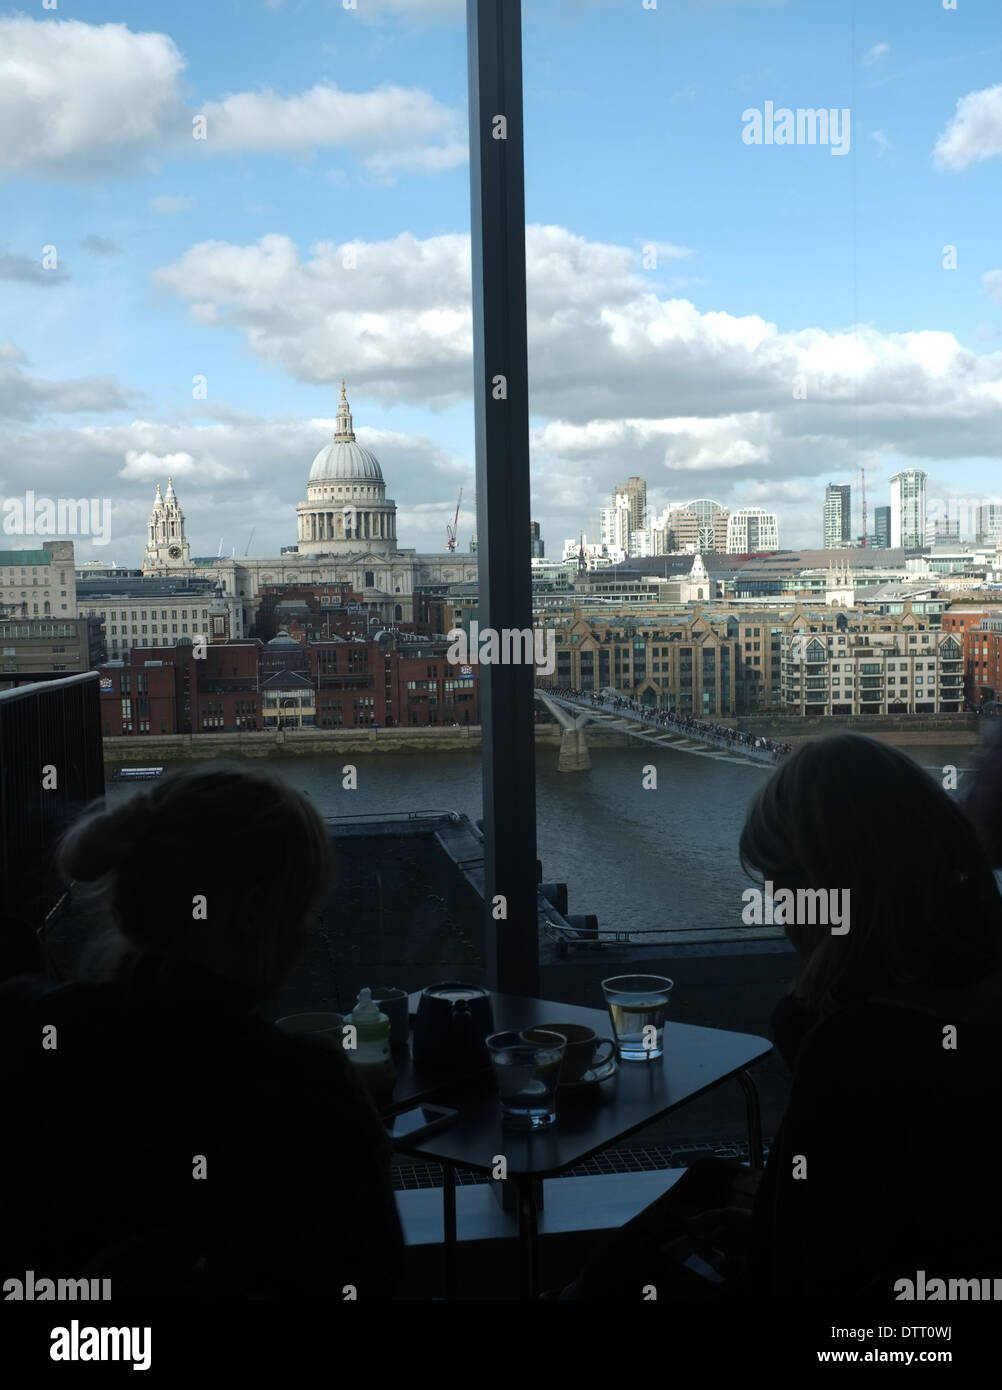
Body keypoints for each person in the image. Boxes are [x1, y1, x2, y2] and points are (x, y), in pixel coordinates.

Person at [0, 763, 404, 1300]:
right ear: (255, 916)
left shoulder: (26, 1032)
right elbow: (377, 1277)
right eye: (300, 911)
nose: (306, 934)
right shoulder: (309, 1090)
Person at [736, 733, 1002, 1298]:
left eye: (777, 880)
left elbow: (808, 1282)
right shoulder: (970, 995)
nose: (774, 906)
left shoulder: (857, 1050)